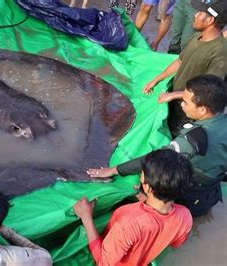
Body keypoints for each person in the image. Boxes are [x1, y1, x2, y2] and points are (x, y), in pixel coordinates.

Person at [88, 75, 227, 217]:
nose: (181, 104)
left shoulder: (192, 139)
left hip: (191, 193)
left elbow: (157, 160)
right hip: (212, 187)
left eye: (185, 102)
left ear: (203, 110)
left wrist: (115, 170)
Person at [74, 149, 193, 265]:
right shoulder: (186, 217)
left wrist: (86, 217)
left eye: (141, 174)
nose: (140, 176)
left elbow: (104, 262)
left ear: (147, 188)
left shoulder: (129, 223)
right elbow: (175, 243)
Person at [144, 0, 227, 136]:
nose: (195, 15)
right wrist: (156, 80)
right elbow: (180, 62)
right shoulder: (197, 37)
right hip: (176, 98)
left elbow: (209, 91)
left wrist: (173, 95)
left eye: (200, 13)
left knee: (175, 140)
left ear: (210, 20)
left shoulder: (220, 53)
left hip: (189, 109)